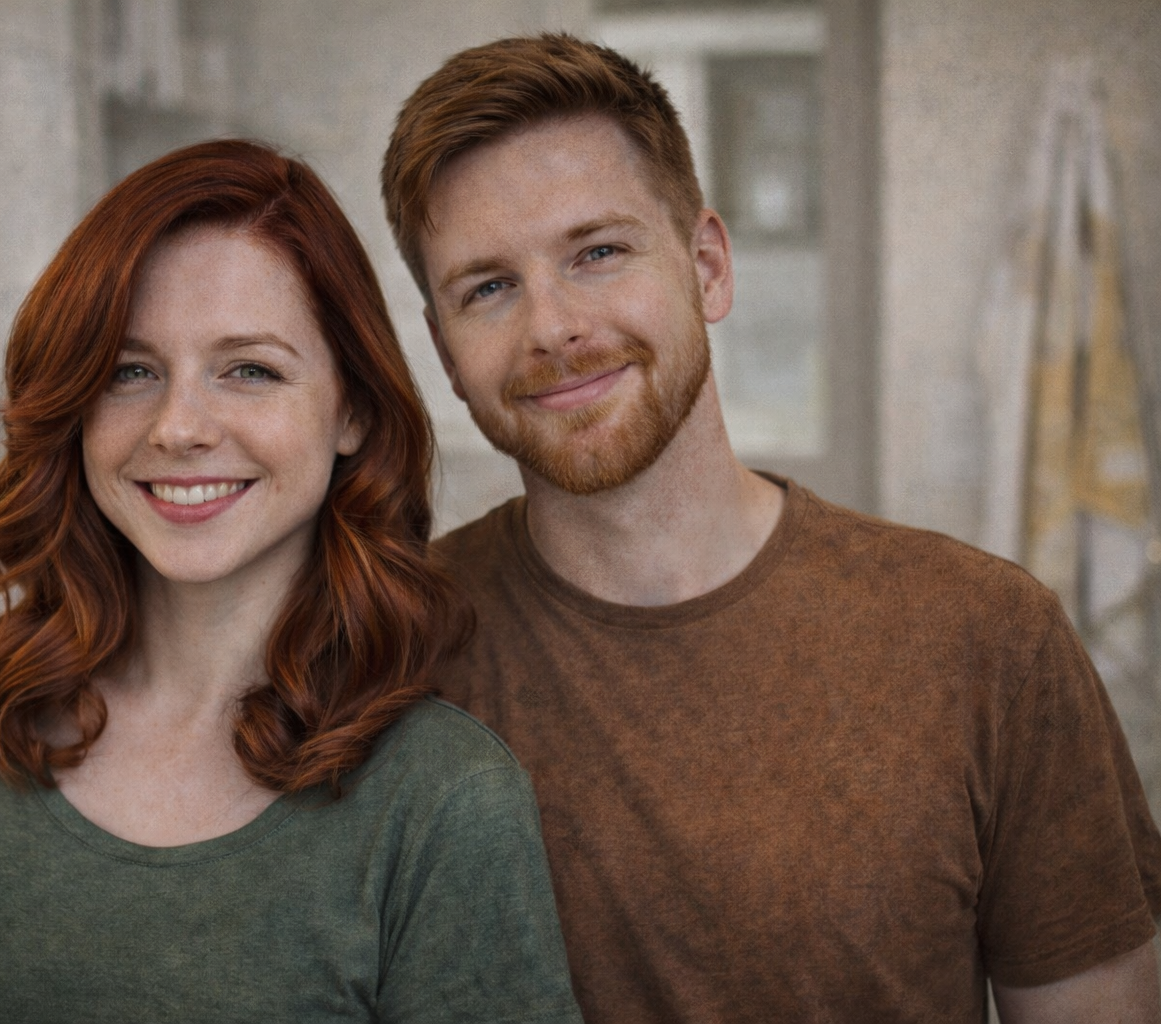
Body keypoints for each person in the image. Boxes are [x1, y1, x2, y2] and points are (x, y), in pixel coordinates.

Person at [380, 32, 1161, 1024]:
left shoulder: (991, 639)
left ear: (707, 266)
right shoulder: (394, 648)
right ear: (446, 352)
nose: (551, 326)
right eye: (488, 287)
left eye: (599, 252)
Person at [0, 139, 583, 1024]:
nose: (178, 427)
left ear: (352, 408)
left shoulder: (443, 803)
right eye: (131, 371)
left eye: (250, 370)